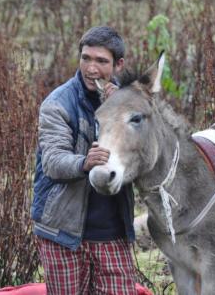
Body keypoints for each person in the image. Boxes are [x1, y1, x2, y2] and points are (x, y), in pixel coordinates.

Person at [31, 26, 137, 294]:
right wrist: (83, 162)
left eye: (101, 61)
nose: (91, 68)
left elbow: (148, 148)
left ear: (118, 65)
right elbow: (53, 162)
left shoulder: (128, 100)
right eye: (86, 58)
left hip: (113, 231)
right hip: (63, 233)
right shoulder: (57, 103)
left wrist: (121, 109)